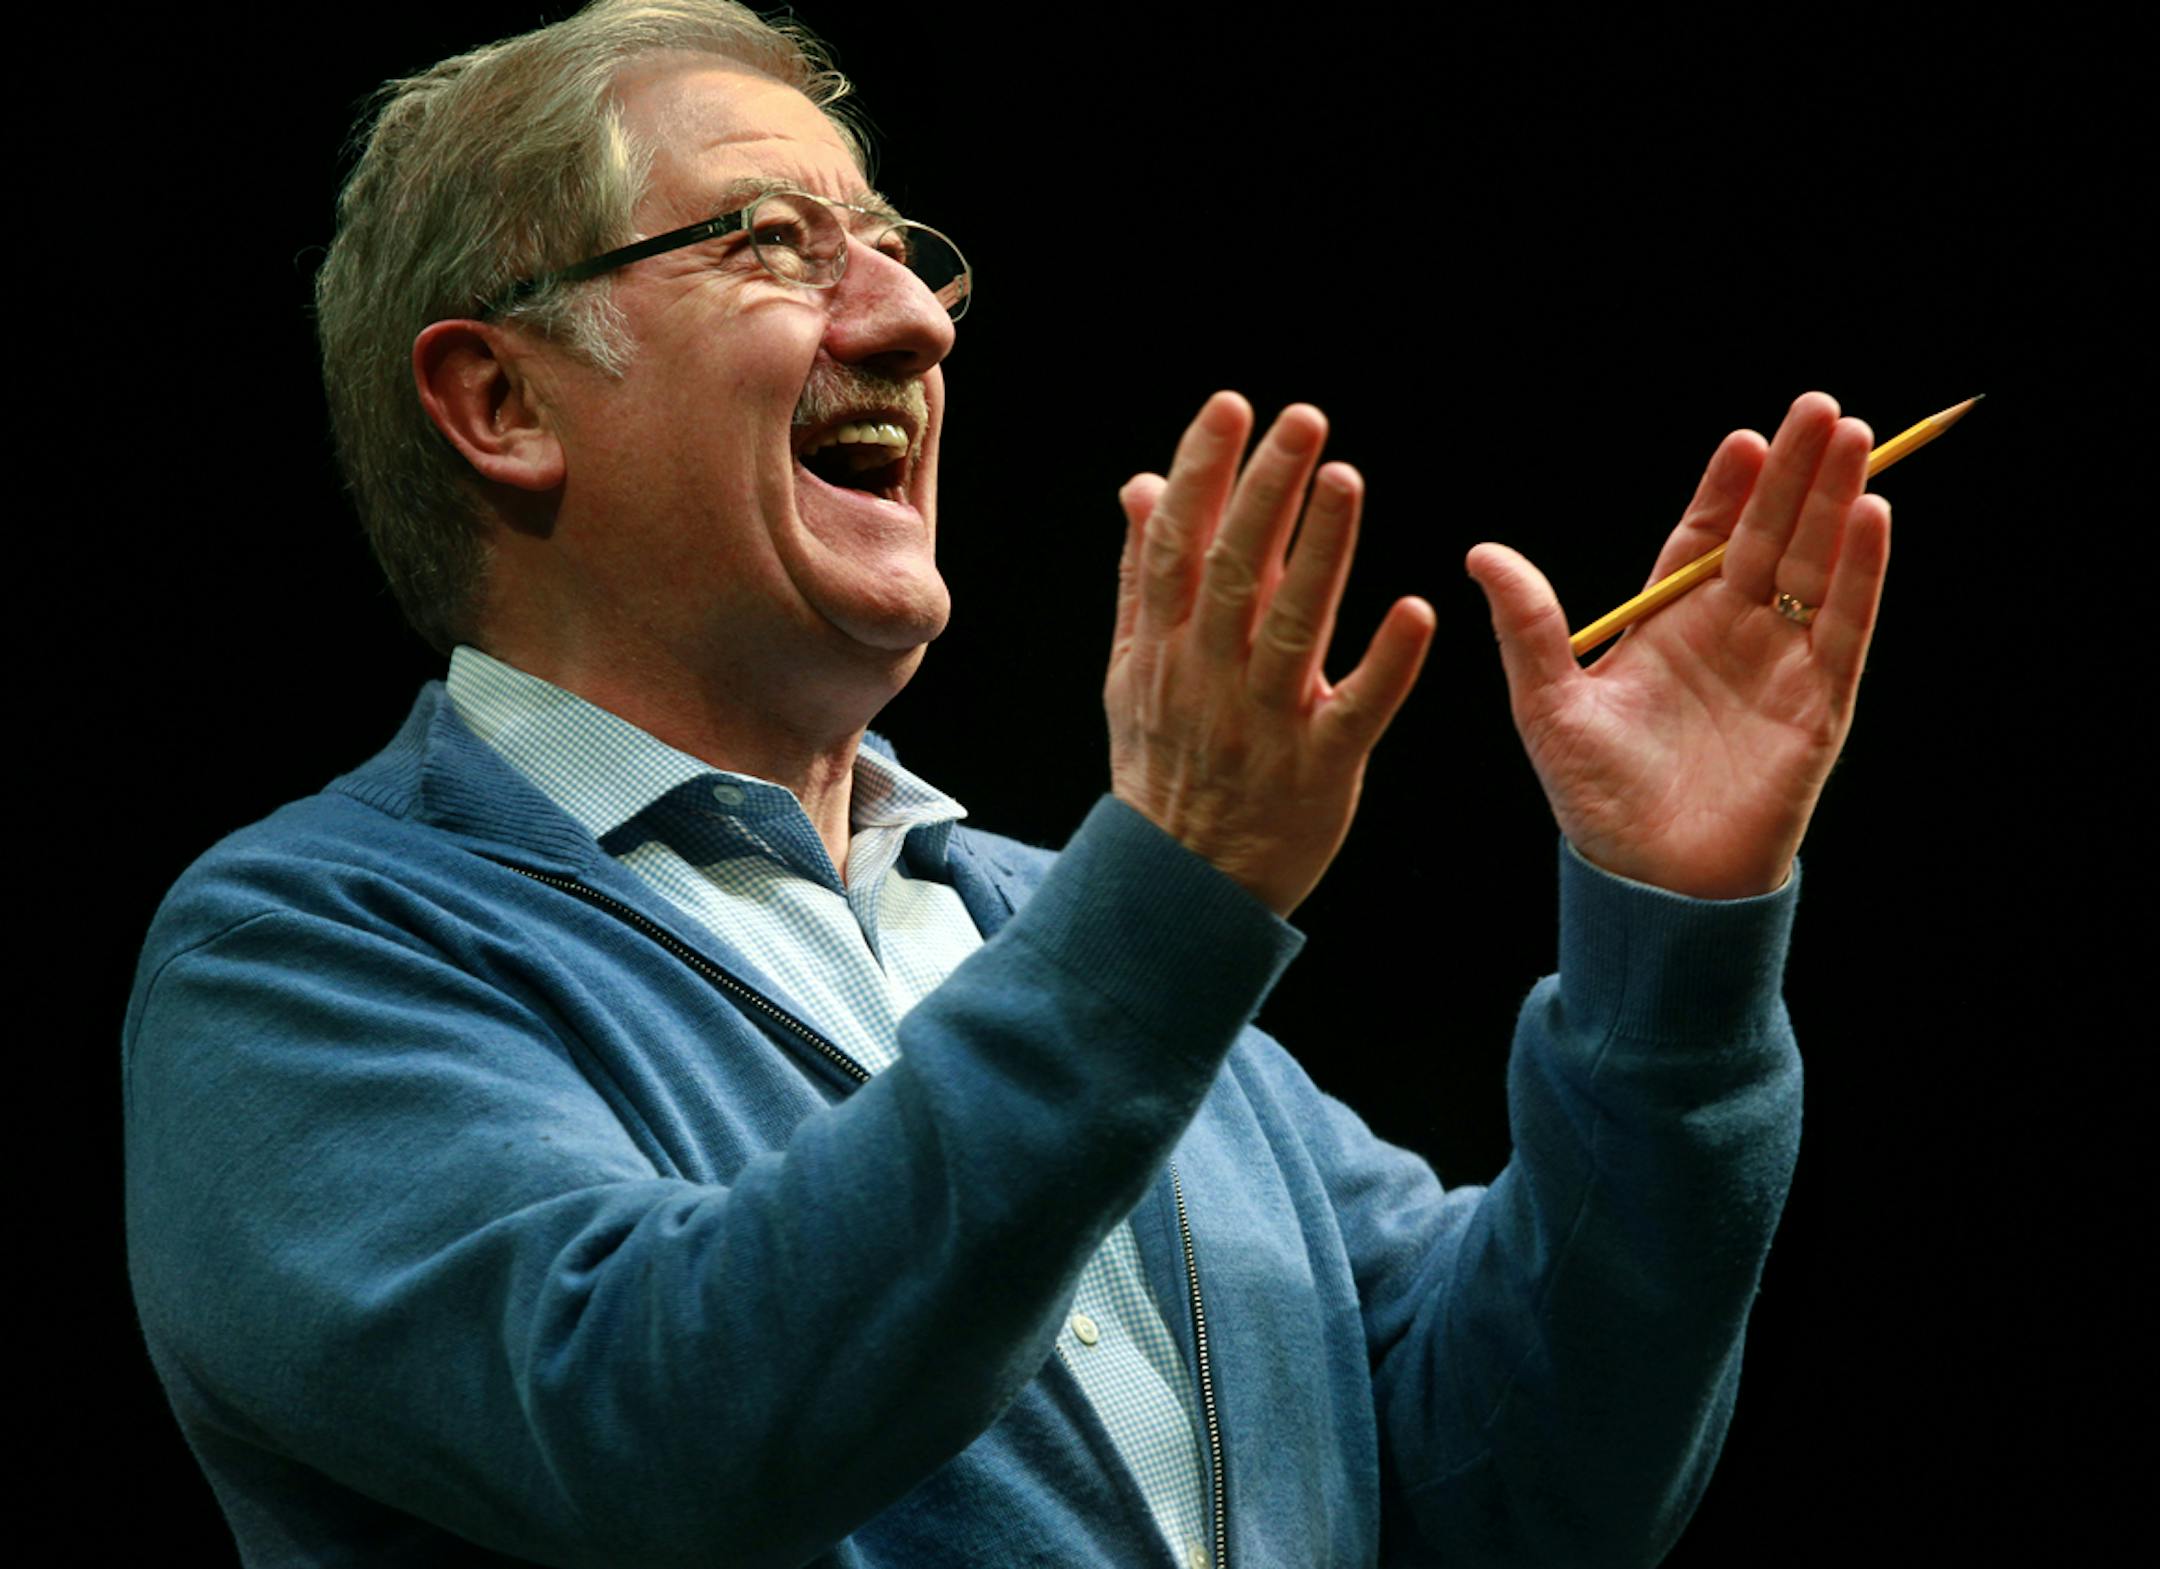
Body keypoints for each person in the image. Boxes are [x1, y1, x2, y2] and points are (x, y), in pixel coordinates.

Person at [122, 2, 1891, 1565]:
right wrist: (1173, 899)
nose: (913, 319)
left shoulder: (1050, 924)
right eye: (771, 242)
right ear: (501, 400)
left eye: (899, 251)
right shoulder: (304, 954)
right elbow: (662, 1419)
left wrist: (1674, 943)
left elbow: (1530, 1489)